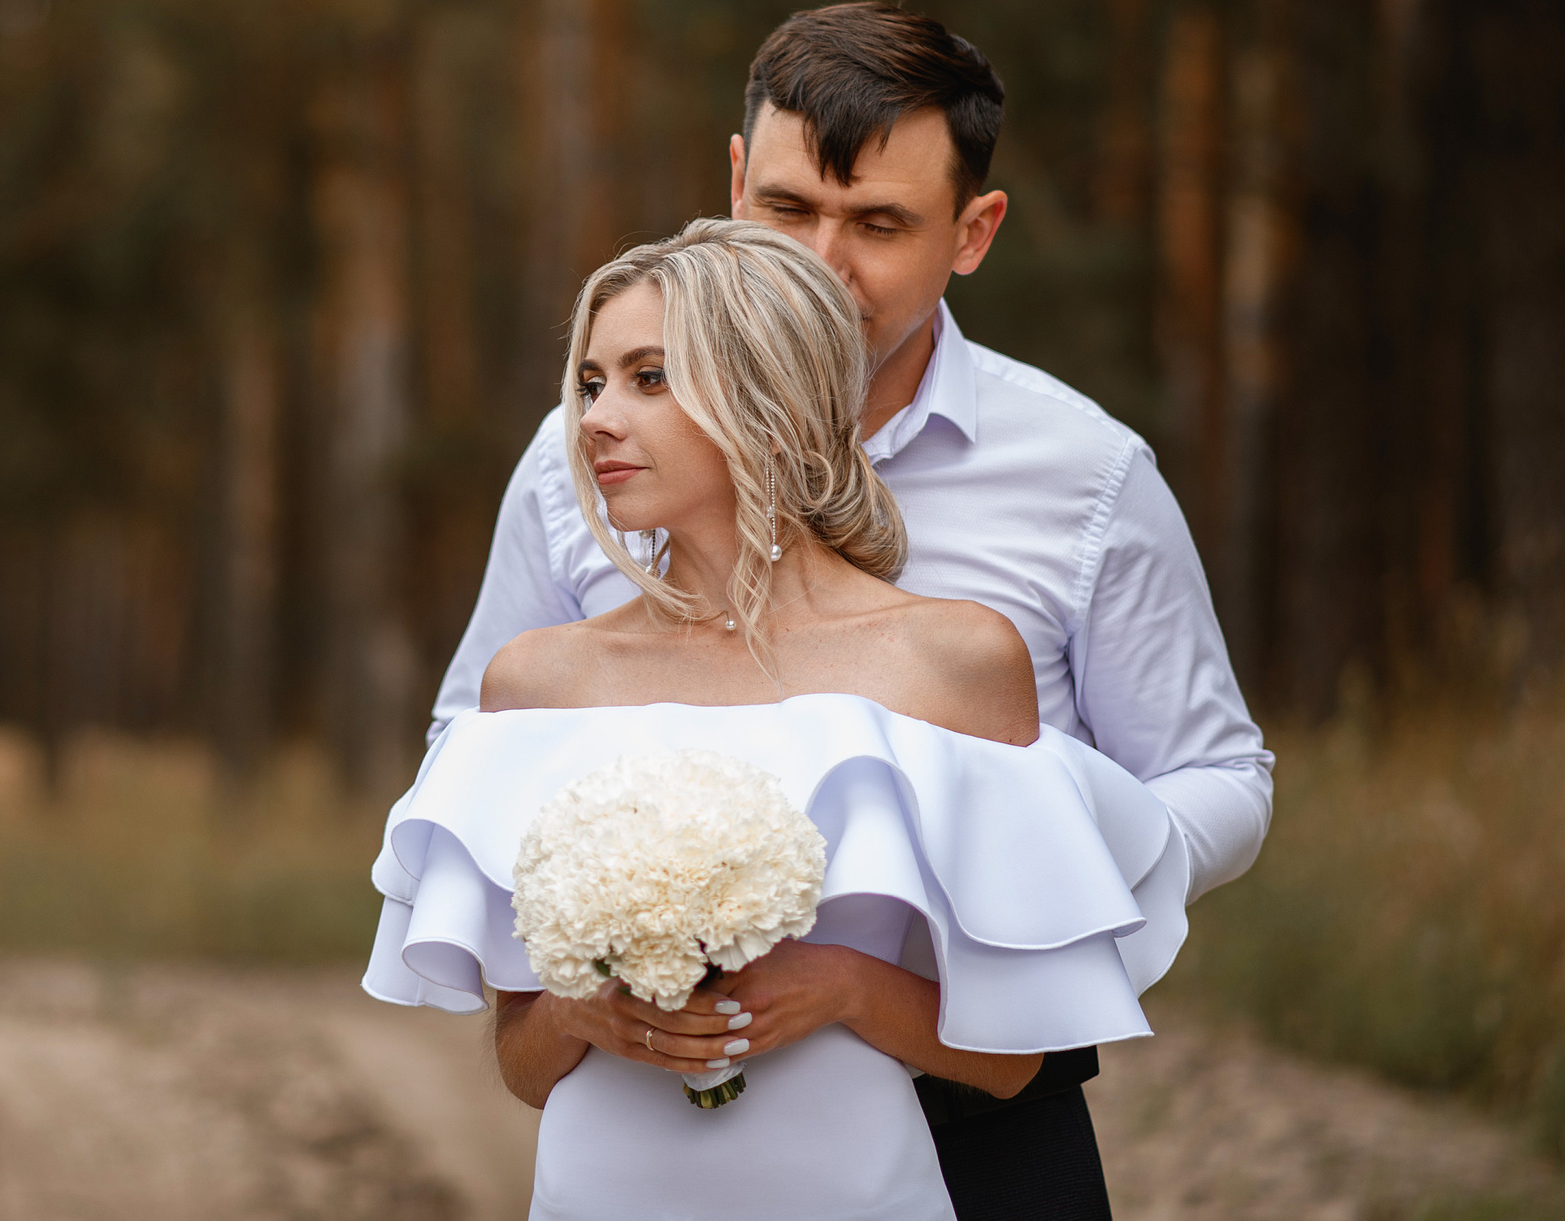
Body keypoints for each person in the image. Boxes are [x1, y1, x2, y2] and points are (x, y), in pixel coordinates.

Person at [428, 3, 1271, 1217]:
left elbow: (1216, 774)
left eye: (876, 223)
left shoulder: (1082, 477)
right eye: (784, 210)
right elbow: (480, 763)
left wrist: (1034, 874)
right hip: (649, 1125)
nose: (819, 265)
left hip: (974, 1114)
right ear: (729, 185)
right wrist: (613, 956)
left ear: (972, 231)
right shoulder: (577, 469)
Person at [363, 220, 1191, 1221]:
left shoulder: (954, 664)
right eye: (590, 383)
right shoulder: (539, 685)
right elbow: (526, 1066)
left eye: (648, 378)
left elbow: (1017, 1067)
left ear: (768, 399)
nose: (594, 420)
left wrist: (843, 984)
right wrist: (588, 1010)